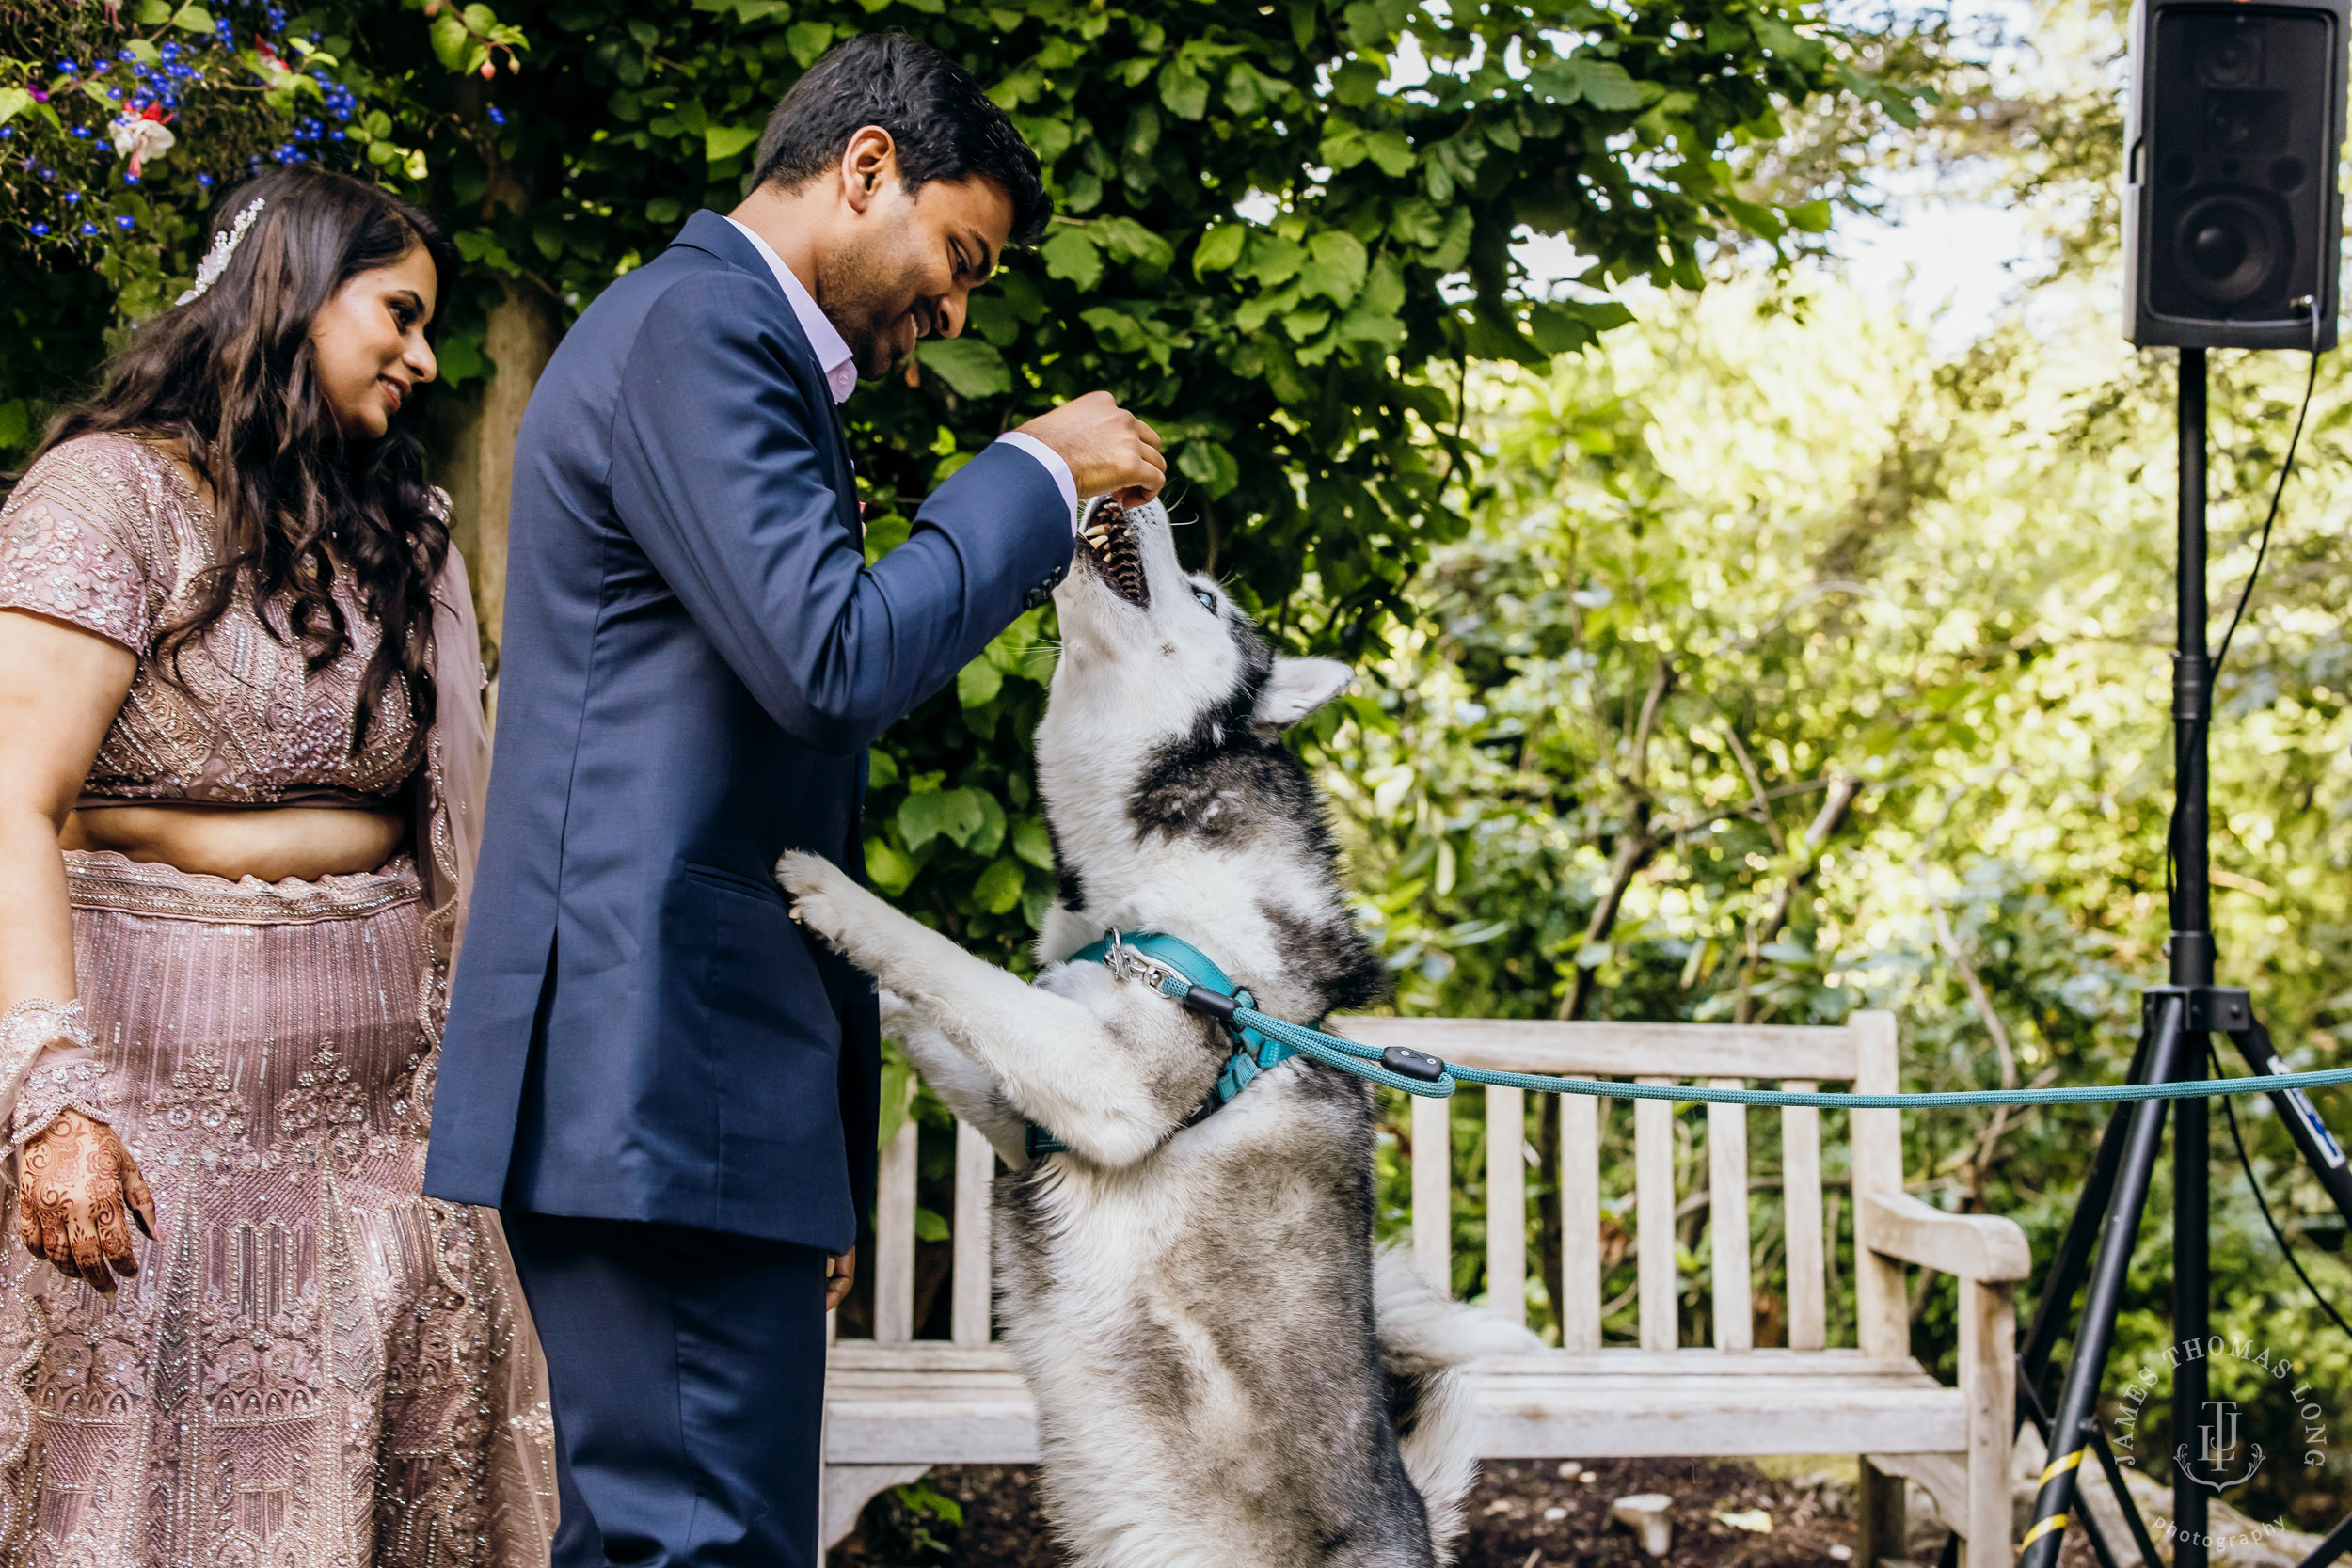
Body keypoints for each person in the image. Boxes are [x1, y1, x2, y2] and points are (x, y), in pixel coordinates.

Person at [422, 29, 1167, 1568]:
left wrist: (809, 1143)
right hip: (654, 1073)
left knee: (687, 1541)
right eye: (956, 258)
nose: (953, 309)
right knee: (700, 1547)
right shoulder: (700, 331)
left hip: (689, 1090)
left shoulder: (707, 342)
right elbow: (829, 662)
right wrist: (1032, 472)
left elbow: (768, 766)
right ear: (866, 166)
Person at [0, 167, 557, 1564]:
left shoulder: (399, 525)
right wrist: (50, 1108)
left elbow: (461, 839)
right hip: (140, 1148)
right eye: (401, 314)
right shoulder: (107, 499)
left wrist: (463, 1103)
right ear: (295, 293)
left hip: (375, 1156)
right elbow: (11, 794)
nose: (426, 359)